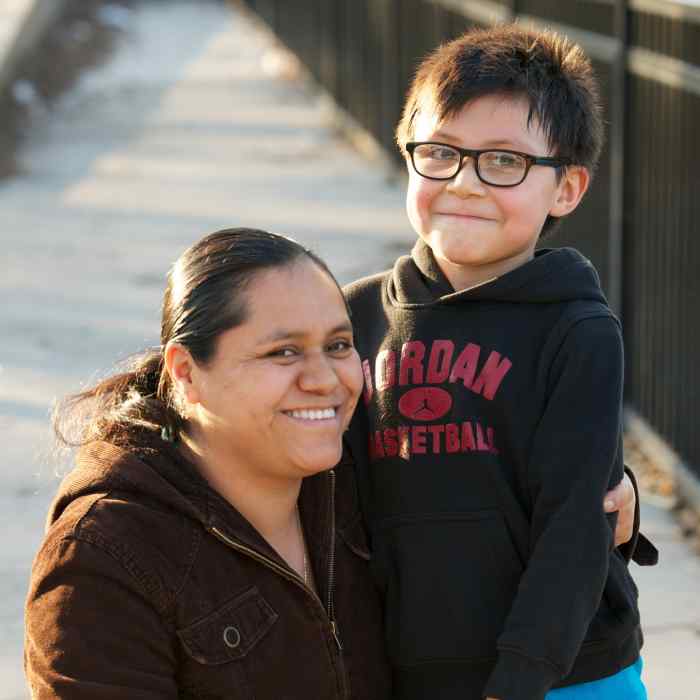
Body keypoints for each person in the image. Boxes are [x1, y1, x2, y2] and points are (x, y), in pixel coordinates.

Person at [342, 24, 657, 700]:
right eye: (440, 153)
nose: (464, 183)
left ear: (567, 188)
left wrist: (518, 682)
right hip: (409, 671)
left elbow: (576, 524)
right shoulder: (353, 317)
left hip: (567, 675)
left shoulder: (578, 328)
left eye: (505, 162)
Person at [24, 228, 392, 698]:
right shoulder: (104, 554)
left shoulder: (358, 482)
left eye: (338, 345)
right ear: (186, 373)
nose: (325, 379)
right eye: (283, 352)